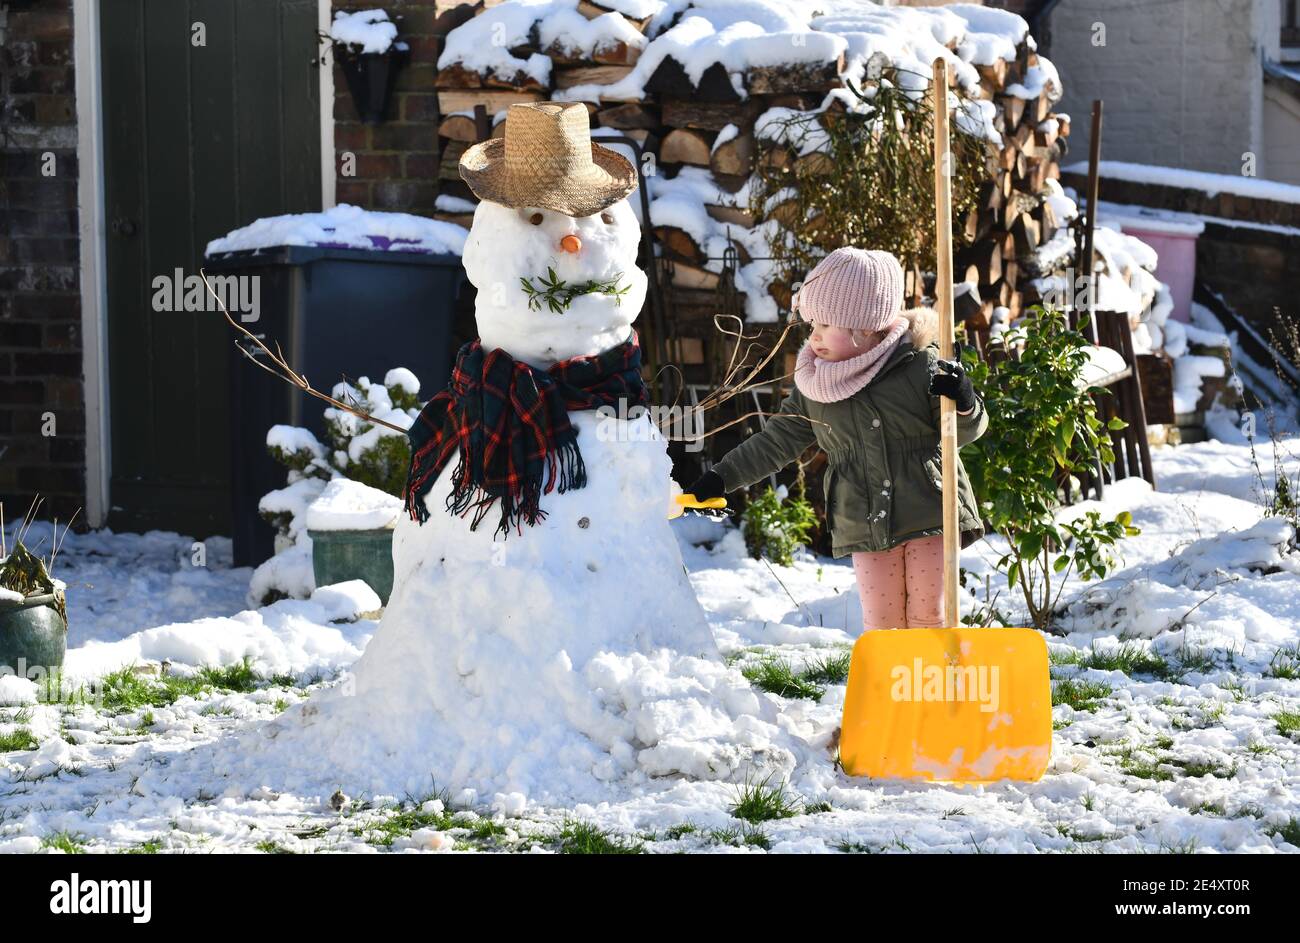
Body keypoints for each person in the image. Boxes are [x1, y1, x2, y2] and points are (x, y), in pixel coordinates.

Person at [686, 248, 988, 631]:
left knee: (929, 616)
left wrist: (962, 401)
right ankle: (892, 690)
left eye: (825, 325)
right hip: (861, 521)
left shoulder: (920, 366)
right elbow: (777, 441)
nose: (814, 337)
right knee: (883, 624)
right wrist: (721, 478)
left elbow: (960, 433)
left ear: (863, 328)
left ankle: (934, 686)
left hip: (931, 513)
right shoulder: (816, 384)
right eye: (812, 324)